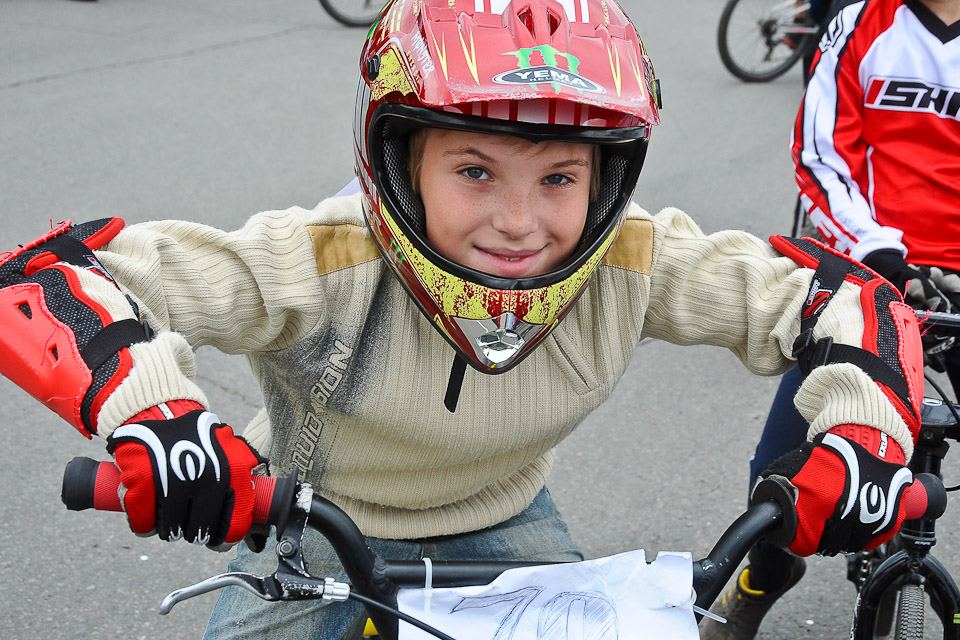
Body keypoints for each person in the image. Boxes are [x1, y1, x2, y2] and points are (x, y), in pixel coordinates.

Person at [0, 0, 929, 637]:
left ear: (609, 177)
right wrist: (161, 419)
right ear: (399, 162)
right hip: (309, 516)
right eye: (475, 170)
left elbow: (840, 295)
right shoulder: (323, 259)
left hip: (504, 517)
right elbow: (53, 274)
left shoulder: (632, 259)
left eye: (559, 177)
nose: (519, 222)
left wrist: (863, 436)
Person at [702, 0, 960, 638]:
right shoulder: (860, 21)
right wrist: (879, 255)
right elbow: (820, 155)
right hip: (871, 275)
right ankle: (765, 576)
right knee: (782, 468)